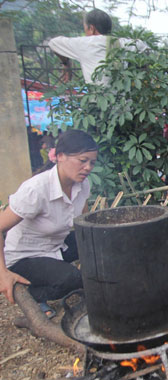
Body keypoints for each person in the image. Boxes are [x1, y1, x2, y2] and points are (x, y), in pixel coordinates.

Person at [0, 130, 98, 318]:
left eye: (92, 162)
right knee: (72, 278)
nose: (88, 167)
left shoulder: (82, 185)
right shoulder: (35, 190)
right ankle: (33, 293)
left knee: (97, 242)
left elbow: (85, 224)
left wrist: (96, 248)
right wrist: (2, 273)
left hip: (55, 244)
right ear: (60, 156)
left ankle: (87, 284)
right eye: (82, 160)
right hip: (25, 257)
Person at [48, 9, 147, 85]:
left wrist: (66, 63)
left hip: (97, 103)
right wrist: (140, 68)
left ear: (91, 28)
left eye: (85, 29)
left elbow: (53, 43)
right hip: (122, 106)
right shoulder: (122, 43)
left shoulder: (84, 43)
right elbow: (143, 46)